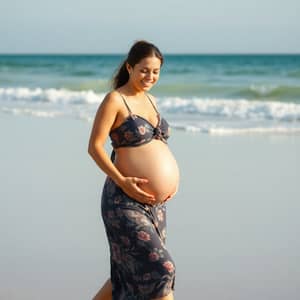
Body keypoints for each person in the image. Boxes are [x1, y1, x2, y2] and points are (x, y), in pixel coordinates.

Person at [88, 40, 180, 300]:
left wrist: (170, 183)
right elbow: (95, 147)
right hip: (123, 199)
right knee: (163, 269)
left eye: (156, 71)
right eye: (144, 70)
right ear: (129, 67)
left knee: (126, 274)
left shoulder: (151, 101)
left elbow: (156, 146)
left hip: (155, 204)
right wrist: (122, 181)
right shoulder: (115, 100)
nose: (150, 76)